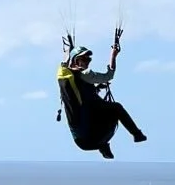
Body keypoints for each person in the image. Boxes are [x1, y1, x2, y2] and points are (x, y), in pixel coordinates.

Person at [56, 28, 146, 159]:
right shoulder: (85, 74)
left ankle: (103, 146)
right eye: (84, 59)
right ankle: (137, 135)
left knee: (102, 106)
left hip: (81, 141)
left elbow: (82, 96)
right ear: (76, 60)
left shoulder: (67, 77)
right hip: (93, 136)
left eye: (89, 60)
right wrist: (113, 55)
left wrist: (96, 87)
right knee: (116, 108)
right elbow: (109, 76)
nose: (87, 62)